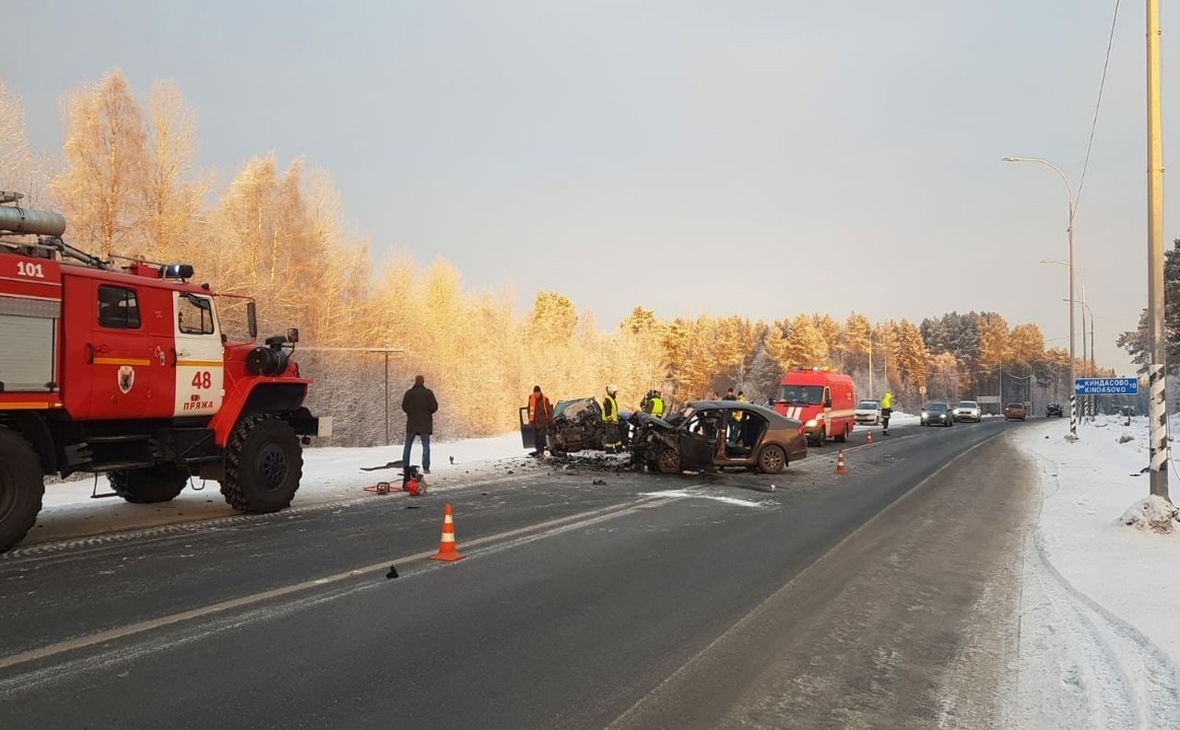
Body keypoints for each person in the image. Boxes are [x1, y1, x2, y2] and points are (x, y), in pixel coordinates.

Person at [401, 375, 439, 474]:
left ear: (415, 382)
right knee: (425, 446)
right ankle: (426, 467)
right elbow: (434, 406)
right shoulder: (428, 393)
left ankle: (405, 466)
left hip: (412, 423)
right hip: (425, 423)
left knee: (408, 446)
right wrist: (427, 412)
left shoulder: (409, 393)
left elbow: (404, 406)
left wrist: (411, 413)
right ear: (423, 382)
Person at [527, 385, 553, 457]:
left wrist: (550, 421)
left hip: (542, 422)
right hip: (534, 422)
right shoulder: (531, 398)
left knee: (541, 436)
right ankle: (538, 450)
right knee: (536, 437)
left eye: (538, 393)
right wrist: (530, 419)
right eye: (535, 393)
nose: (536, 394)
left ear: (540, 392)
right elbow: (529, 410)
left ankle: (542, 450)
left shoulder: (545, 399)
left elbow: (548, 411)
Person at [602, 384, 622, 453]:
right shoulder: (607, 399)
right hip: (609, 422)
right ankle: (609, 450)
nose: (616, 394)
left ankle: (619, 448)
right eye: (615, 392)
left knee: (616, 435)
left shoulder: (611, 399)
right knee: (610, 436)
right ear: (611, 392)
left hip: (613, 421)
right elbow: (608, 411)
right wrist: (610, 419)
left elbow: (614, 411)